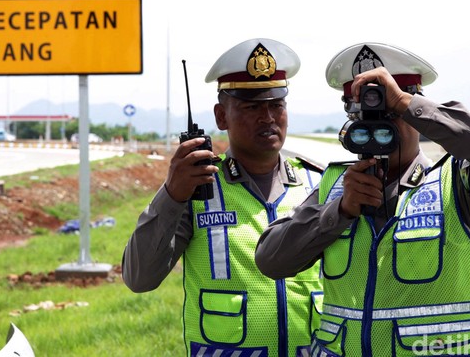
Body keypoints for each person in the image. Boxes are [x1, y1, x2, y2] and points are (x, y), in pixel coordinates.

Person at [255, 42, 470, 356]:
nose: (378, 123)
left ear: (415, 108)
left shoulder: (458, 187)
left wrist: (404, 103)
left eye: (390, 111)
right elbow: (270, 259)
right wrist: (339, 212)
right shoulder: (336, 189)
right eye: (362, 111)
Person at [122, 38, 324, 356]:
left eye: (276, 105)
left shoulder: (318, 185)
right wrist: (172, 195)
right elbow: (139, 277)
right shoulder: (197, 188)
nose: (268, 117)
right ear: (221, 117)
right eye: (252, 107)